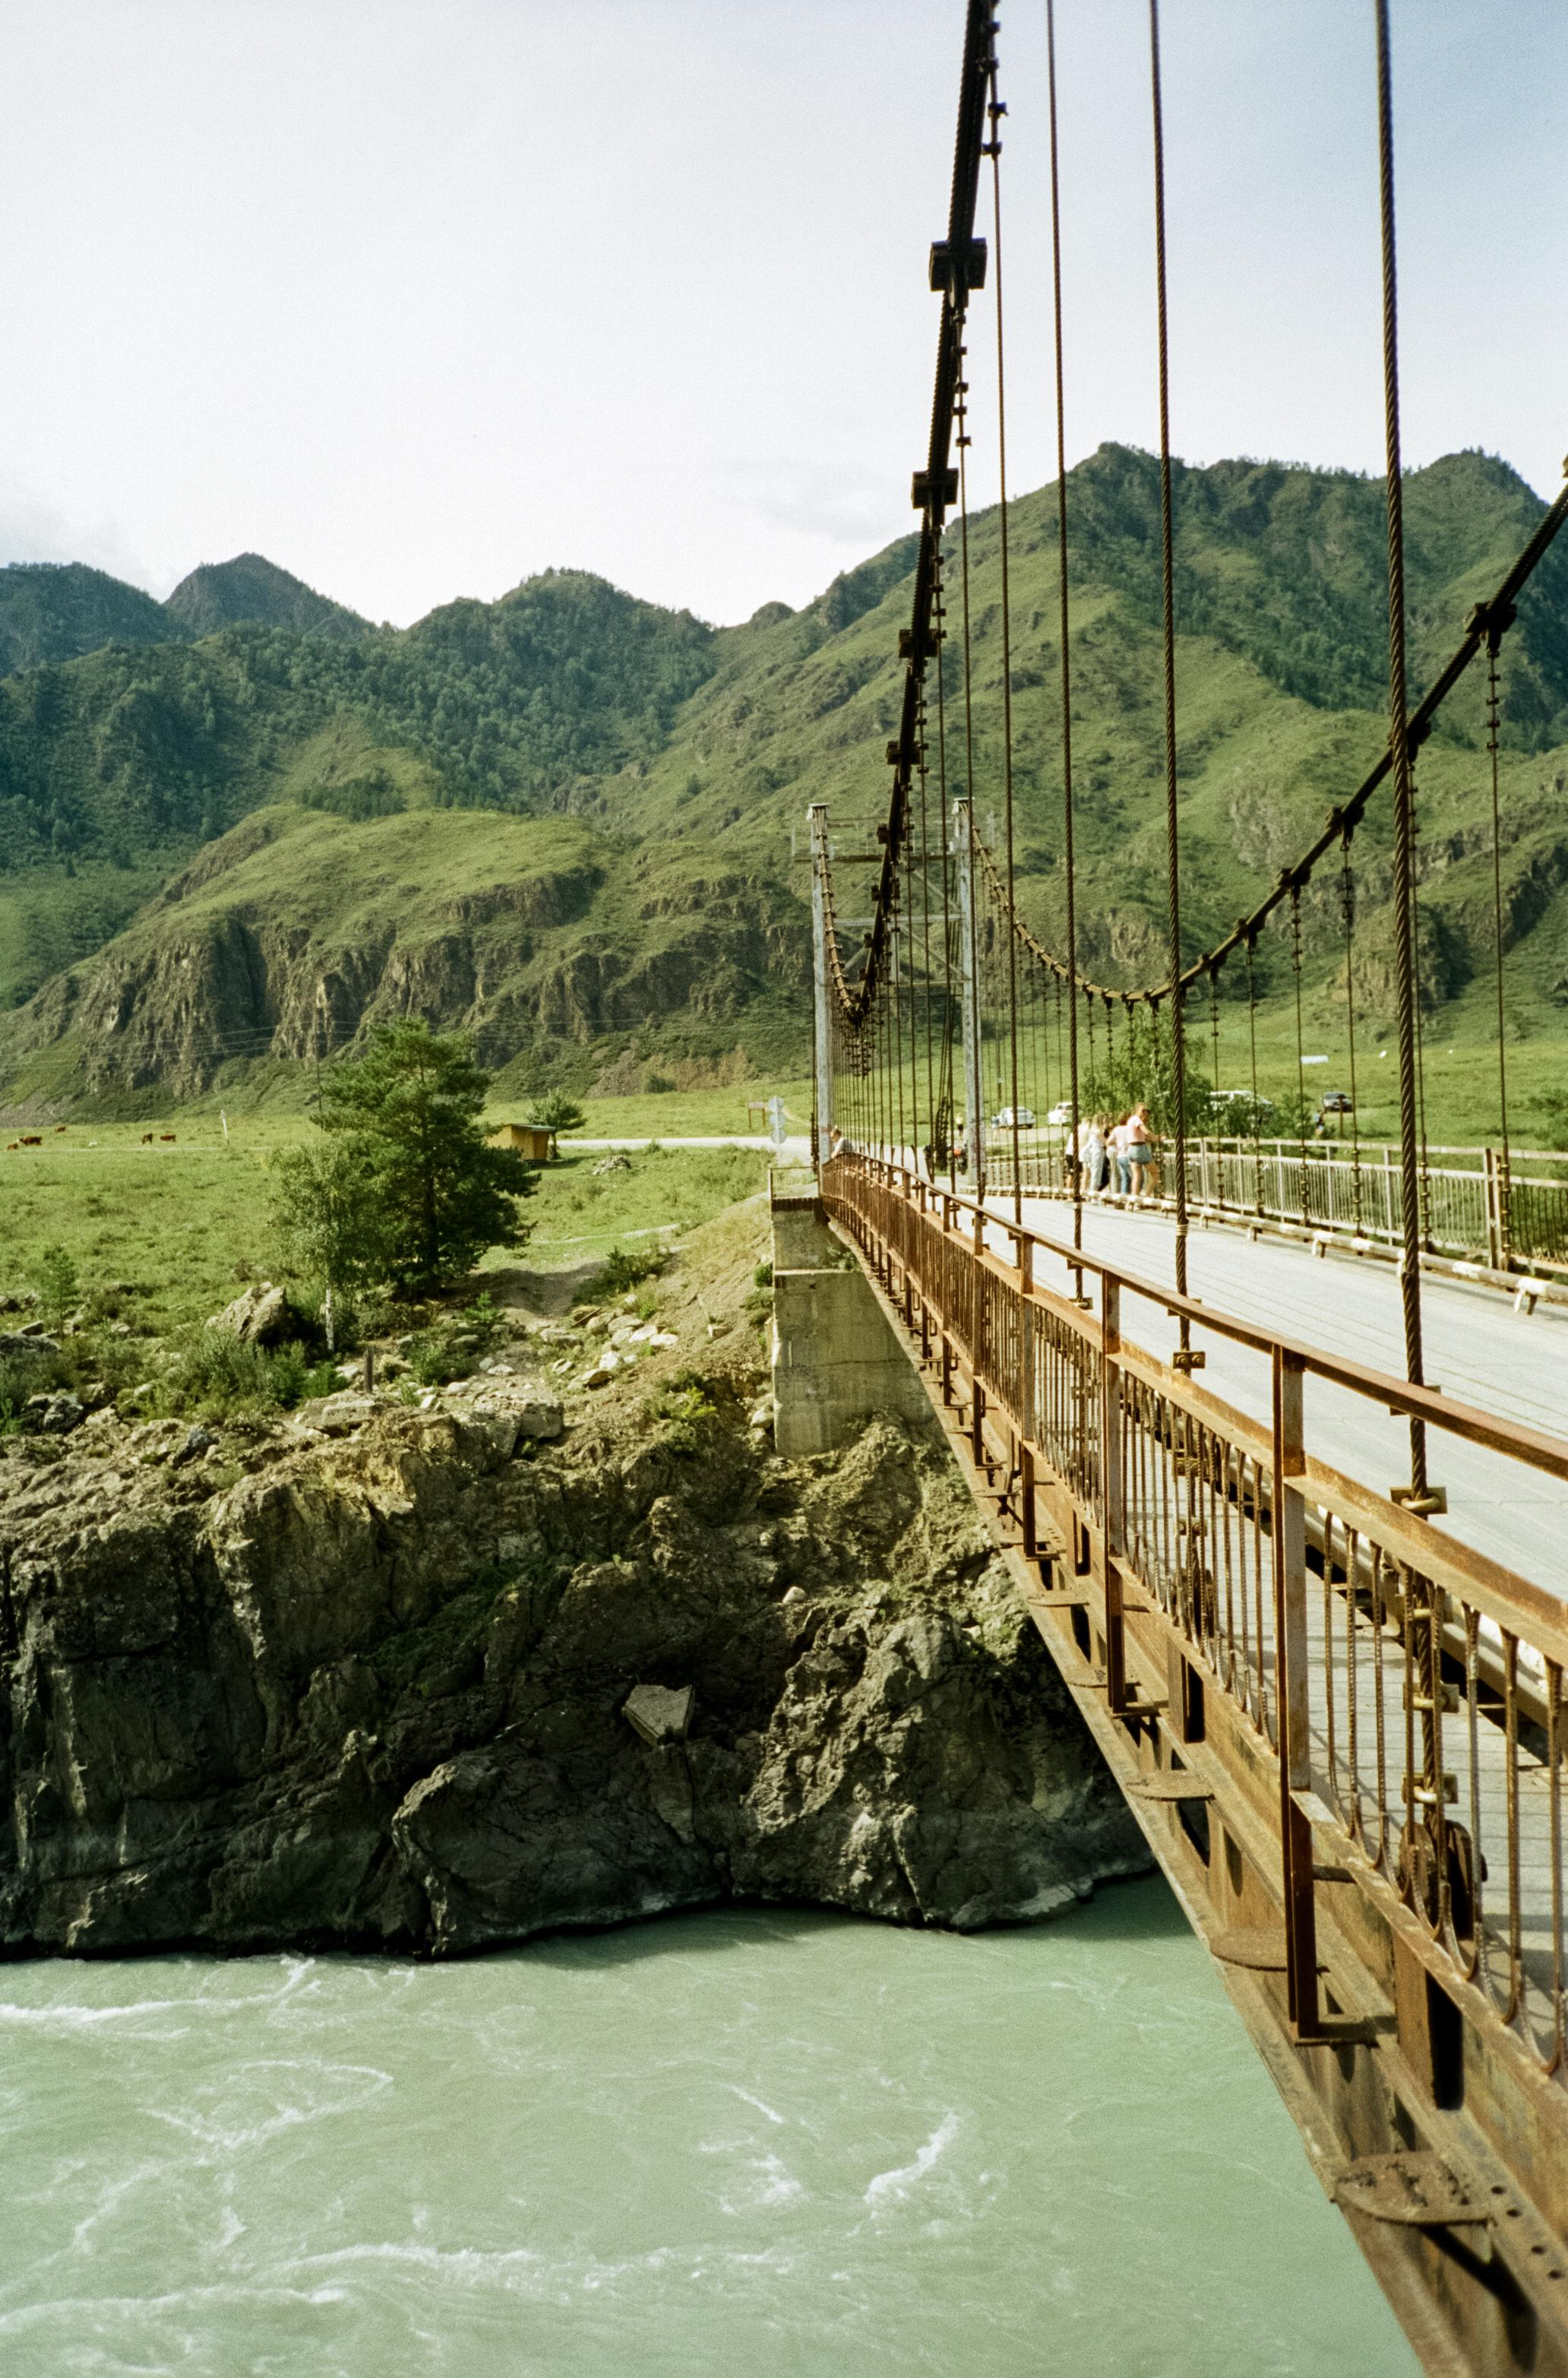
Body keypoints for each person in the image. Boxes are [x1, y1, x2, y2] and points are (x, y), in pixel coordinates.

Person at [1127, 1103, 1157, 1200]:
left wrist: (1153, 1139)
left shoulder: (1130, 1120)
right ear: (1137, 1110)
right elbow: (1146, 1132)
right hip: (1139, 1149)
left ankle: (1134, 1200)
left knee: (1137, 1176)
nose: (1145, 1112)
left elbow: (1142, 1137)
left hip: (1131, 1149)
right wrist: (1157, 1138)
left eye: (1145, 1110)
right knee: (1156, 1173)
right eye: (1143, 1110)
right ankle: (1147, 1197)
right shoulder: (1137, 1119)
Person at [1108, 1111, 1132, 1197]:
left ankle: (1123, 1198)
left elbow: (1108, 1142)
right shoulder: (1129, 1129)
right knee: (1137, 1178)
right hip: (1128, 1155)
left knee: (1125, 1178)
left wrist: (1118, 1142)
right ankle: (1135, 1200)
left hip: (1120, 1156)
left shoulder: (1116, 1129)